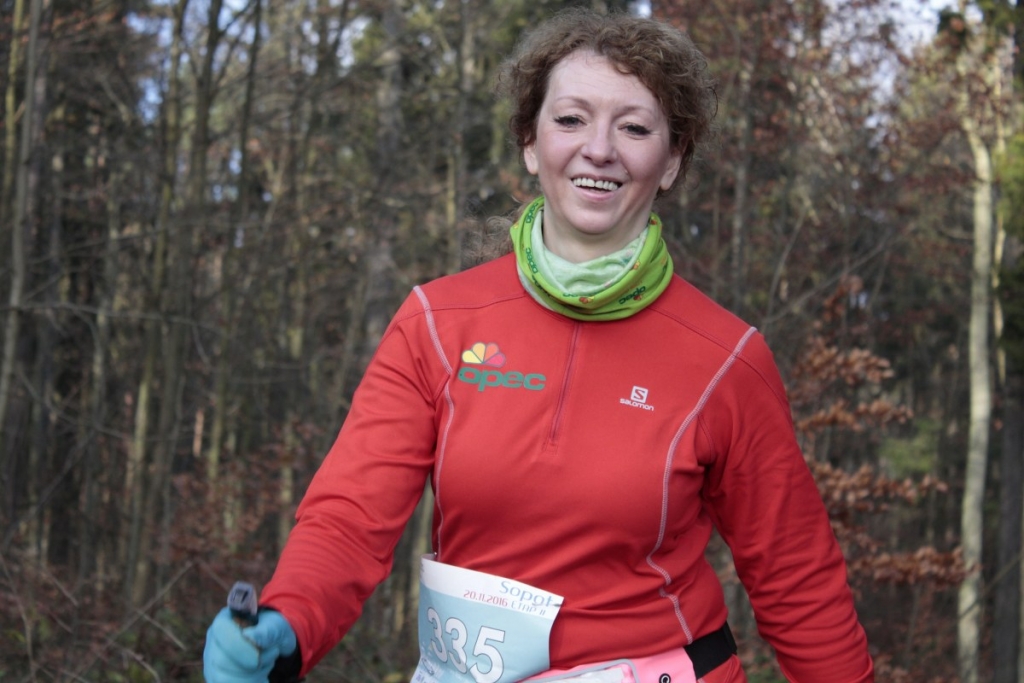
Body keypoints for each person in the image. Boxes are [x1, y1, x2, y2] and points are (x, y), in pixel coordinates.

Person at [203, 8, 875, 683]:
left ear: (672, 160)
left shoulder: (727, 359)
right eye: (571, 119)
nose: (599, 149)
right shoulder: (437, 322)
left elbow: (796, 578)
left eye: (634, 127)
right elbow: (349, 518)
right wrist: (290, 620)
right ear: (530, 142)